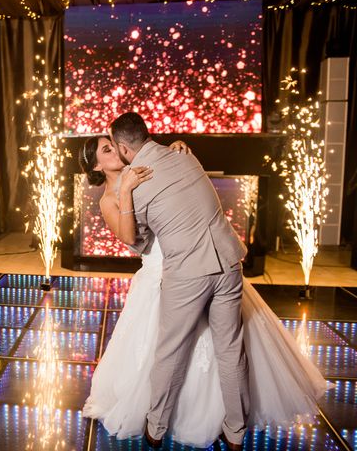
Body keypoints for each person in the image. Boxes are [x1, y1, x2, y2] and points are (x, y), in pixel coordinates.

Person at [80, 132, 329, 448]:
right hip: (163, 273)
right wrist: (126, 192)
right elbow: (131, 239)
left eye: (114, 144)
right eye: (106, 149)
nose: (115, 150)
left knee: (226, 346)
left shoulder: (141, 169)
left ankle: (224, 422)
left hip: (202, 263)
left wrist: (173, 152)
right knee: (169, 350)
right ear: (96, 166)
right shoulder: (108, 199)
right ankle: (162, 421)